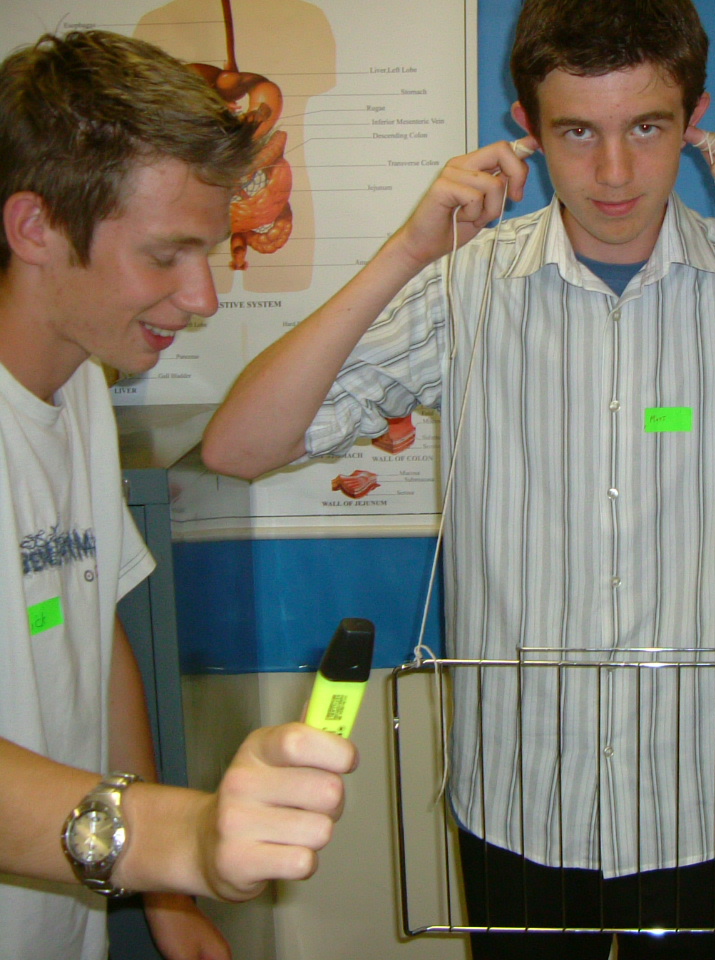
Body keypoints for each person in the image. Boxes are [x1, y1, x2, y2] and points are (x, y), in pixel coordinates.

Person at [202, 0, 715, 955]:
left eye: (647, 128)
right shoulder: (465, 286)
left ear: (695, 122)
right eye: (577, 131)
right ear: (527, 132)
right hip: (523, 794)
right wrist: (409, 252)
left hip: (704, 792)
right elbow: (238, 448)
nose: (614, 172)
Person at [0, 31, 357, 960]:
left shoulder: (78, 377)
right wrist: (175, 838)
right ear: (34, 227)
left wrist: (160, 887)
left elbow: (96, 626)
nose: (201, 296)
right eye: (166, 256)